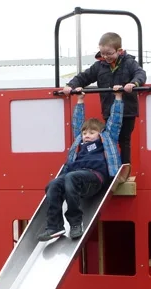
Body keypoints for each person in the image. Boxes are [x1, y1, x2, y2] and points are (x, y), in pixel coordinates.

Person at [37, 86, 124, 242]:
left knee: (71, 177)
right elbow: (77, 123)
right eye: (85, 133)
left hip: (94, 179)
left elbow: (115, 121)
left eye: (91, 133)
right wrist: (80, 100)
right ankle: (55, 226)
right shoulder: (79, 144)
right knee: (53, 184)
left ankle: (76, 223)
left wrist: (118, 97)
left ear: (100, 133)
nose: (87, 136)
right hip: (76, 179)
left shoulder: (107, 139)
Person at [62, 32, 146, 166]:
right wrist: (70, 85)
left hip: (127, 110)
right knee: (109, 140)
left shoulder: (129, 63)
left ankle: (125, 168)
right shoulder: (100, 66)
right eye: (102, 53)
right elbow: (84, 77)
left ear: (119, 51)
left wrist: (133, 84)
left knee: (124, 139)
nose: (105, 57)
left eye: (109, 53)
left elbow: (140, 73)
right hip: (109, 109)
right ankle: (111, 168)